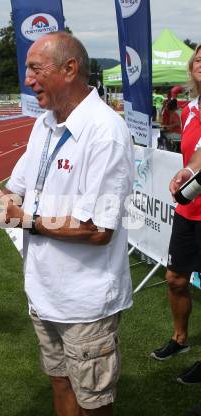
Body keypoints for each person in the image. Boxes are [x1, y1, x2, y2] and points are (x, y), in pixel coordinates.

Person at [0, 32, 134, 416]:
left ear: (70, 69)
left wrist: (27, 220)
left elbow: (97, 229)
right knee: (60, 384)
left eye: (35, 68)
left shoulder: (105, 132)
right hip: (44, 294)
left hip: (85, 303)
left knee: (93, 403)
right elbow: (15, 194)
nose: (27, 79)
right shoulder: (44, 124)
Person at [151, 45, 201, 390]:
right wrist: (185, 171)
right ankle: (180, 338)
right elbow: (194, 151)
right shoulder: (191, 107)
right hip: (189, 209)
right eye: (198, 58)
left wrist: (189, 169)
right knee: (175, 279)